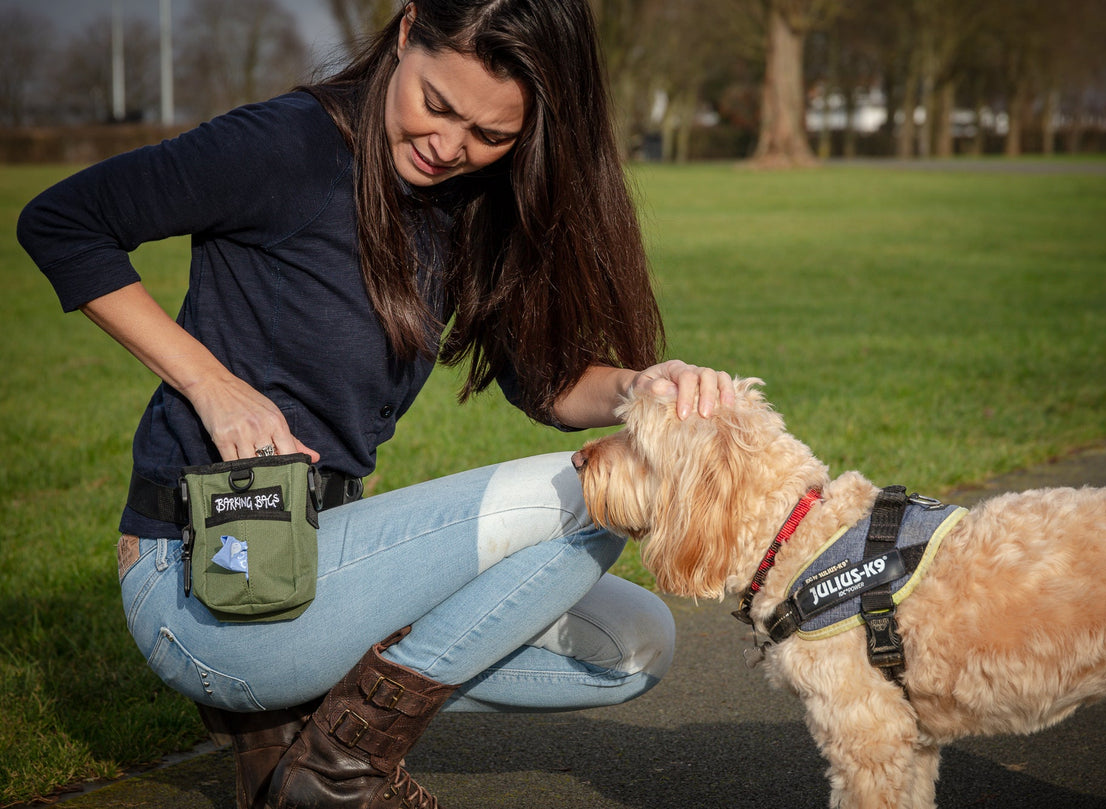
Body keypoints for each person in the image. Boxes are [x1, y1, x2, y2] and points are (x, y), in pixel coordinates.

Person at [17, 2, 735, 808]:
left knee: (634, 647)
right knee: (591, 494)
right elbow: (62, 222)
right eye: (437, 104)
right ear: (405, 33)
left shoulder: (468, 201)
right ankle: (339, 770)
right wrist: (210, 384)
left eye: (490, 135)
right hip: (199, 583)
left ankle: (299, 727)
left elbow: (544, 382)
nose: (450, 146)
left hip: (319, 568)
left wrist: (642, 386)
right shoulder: (288, 145)